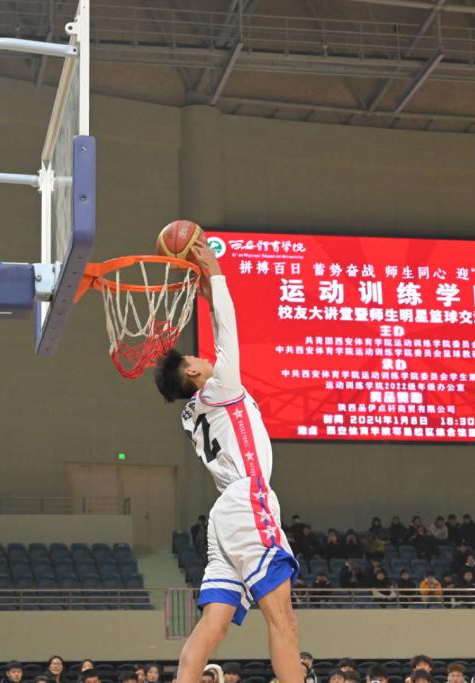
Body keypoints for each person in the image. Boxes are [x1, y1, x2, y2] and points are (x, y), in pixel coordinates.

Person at [154, 242, 302, 683]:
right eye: (195, 359)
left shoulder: (193, 411)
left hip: (223, 516)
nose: (204, 358)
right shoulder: (220, 388)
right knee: (283, 621)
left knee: (213, 625)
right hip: (247, 500)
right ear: (194, 374)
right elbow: (228, 328)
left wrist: (204, 291)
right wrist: (215, 273)